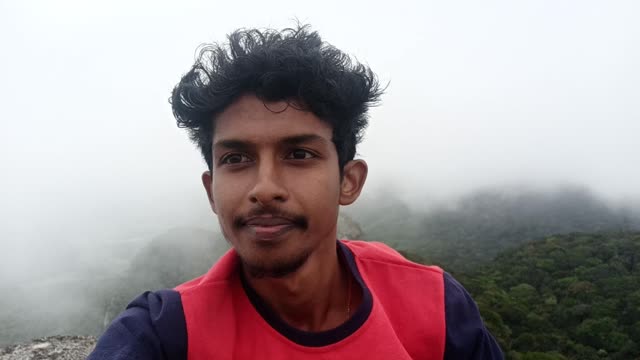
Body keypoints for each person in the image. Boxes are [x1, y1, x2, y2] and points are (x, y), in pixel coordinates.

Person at [88, 24, 503, 359]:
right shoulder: (166, 333)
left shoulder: (435, 306)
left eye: (299, 153)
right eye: (235, 159)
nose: (265, 189)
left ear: (348, 180)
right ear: (212, 192)